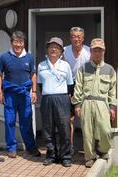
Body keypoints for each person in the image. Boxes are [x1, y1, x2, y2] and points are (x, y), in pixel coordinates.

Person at [71, 38, 117, 168]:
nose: (97, 53)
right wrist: (77, 104)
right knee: (87, 132)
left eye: (100, 50)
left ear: (104, 51)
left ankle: (103, 150)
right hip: (86, 102)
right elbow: (78, 87)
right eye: (95, 50)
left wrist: (112, 107)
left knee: (105, 130)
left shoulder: (109, 69)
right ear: (91, 51)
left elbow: (112, 90)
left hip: (102, 104)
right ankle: (89, 157)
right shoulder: (83, 68)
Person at [0, 30, 40, 158]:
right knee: (9, 121)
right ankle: (11, 148)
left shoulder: (30, 57)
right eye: (16, 42)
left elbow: (33, 74)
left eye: (20, 42)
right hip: (10, 94)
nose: (18, 45)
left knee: (26, 120)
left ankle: (31, 146)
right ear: (12, 42)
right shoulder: (4, 57)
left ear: (24, 43)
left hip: (25, 94)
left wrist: (34, 91)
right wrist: (0, 92)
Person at [37, 37, 73, 167]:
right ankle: (51, 155)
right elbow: (40, 85)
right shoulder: (41, 65)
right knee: (48, 129)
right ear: (47, 49)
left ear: (61, 51)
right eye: (51, 47)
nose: (53, 49)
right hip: (47, 99)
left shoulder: (66, 65)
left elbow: (70, 85)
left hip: (62, 99)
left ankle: (65, 156)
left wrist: (60, 95)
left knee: (64, 128)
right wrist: (49, 93)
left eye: (56, 47)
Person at [63, 26, 90, 155]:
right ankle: (70, 146)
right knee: (70, 119)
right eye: (74, 36)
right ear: (70, 38)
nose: (76, 39)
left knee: (86, 118)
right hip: (69, 86)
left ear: (83, 38)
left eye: (79, 37)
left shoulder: (89, 52)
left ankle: (88, 147)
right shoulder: (64, 51)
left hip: (85, 86)